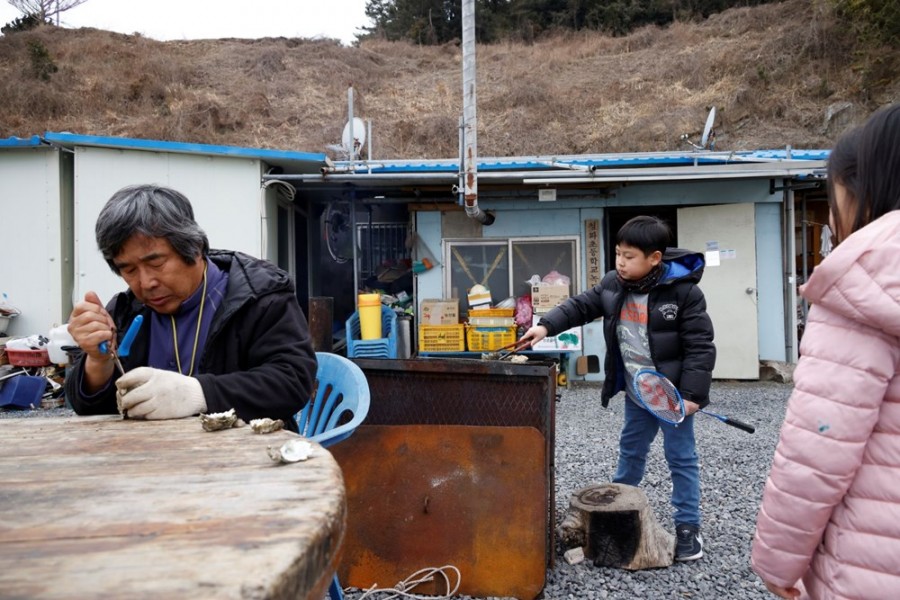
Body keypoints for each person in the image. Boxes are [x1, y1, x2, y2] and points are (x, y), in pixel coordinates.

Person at [751, 104, 900, 599]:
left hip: (871, 562)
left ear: (865, 189)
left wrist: (776, 565)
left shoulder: (862, 279)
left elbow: (816, 452)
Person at [520, 215, 716, 561]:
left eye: (629, 257)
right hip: (637, 393)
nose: (621, 263)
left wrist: (692, 397)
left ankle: (688, 528)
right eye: (617, 255)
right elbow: (580, 305)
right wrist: (545, 327)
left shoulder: (684, 293)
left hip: (671, 398)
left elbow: (700, 346)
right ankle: (617, 512)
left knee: (681, 459)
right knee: (630, 452)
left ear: (654, 258)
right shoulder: (614, 284)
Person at [65, 184, 317, 432]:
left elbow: (292, 382)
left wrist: (198, 393)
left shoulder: (259, 296)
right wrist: (98, 362)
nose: (145, 283)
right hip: (152, 457)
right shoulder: (127, 310)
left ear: (194, 248)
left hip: (248, 459)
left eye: (156, 262)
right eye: (128, 269)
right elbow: (92, 411)